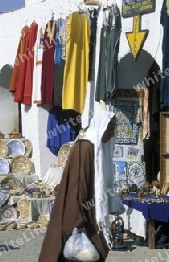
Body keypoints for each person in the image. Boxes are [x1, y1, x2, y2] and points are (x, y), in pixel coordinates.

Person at [38, 108, 120, 262]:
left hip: (87, 210)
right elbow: (78, 185)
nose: (112, 134)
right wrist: (78, 220)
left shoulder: (94, 148)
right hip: (78, 212)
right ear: (101, 127)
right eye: (110, 129)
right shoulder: (85, 148)